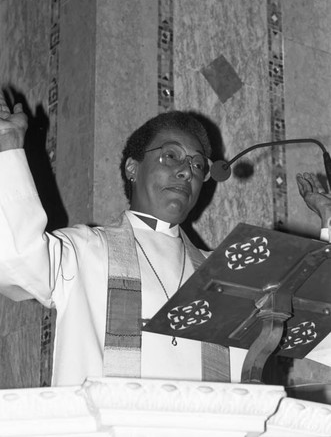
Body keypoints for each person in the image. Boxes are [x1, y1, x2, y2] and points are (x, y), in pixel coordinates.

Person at [0, 96, 229, 386]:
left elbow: (293, 337)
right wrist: (8, 147)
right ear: (132, 168)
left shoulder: (221, 274)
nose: (187, 171)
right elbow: (16, 260)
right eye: (171, 155)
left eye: (198, 165)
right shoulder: (85, 251)